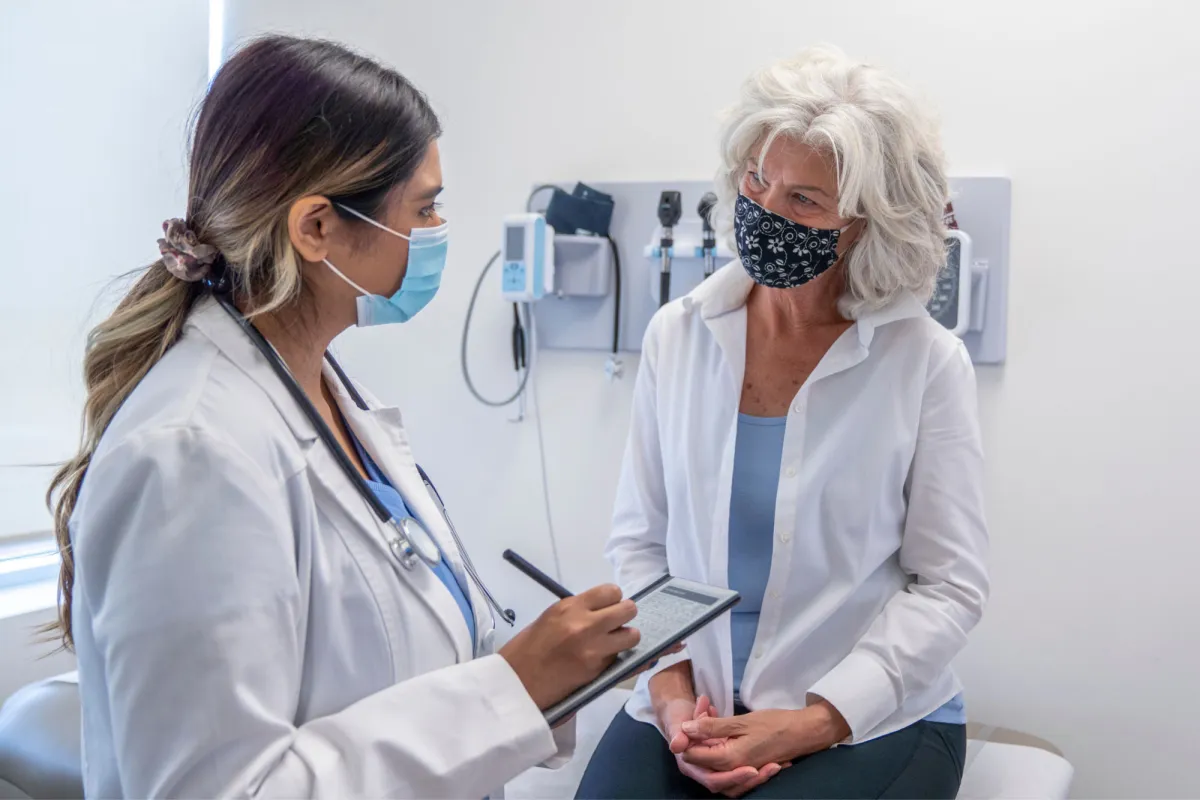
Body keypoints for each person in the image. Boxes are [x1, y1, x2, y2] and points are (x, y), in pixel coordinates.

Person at [47, 35, 645, 799]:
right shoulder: (190, 452)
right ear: (317, 228)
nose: (438, 230)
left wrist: (547, 667)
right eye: (423, 207)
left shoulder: (319, 389)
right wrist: (510, 689)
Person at [577, 46, 989, 800]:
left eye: (804, 201)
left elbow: (949, 587)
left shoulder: (923, 364)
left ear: (864, 224)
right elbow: (641, 544)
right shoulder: (681, 334)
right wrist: (670, 696)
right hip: (690, 691)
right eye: (758, 181)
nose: (766, 213)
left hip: (866, 711)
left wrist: (812, 721)